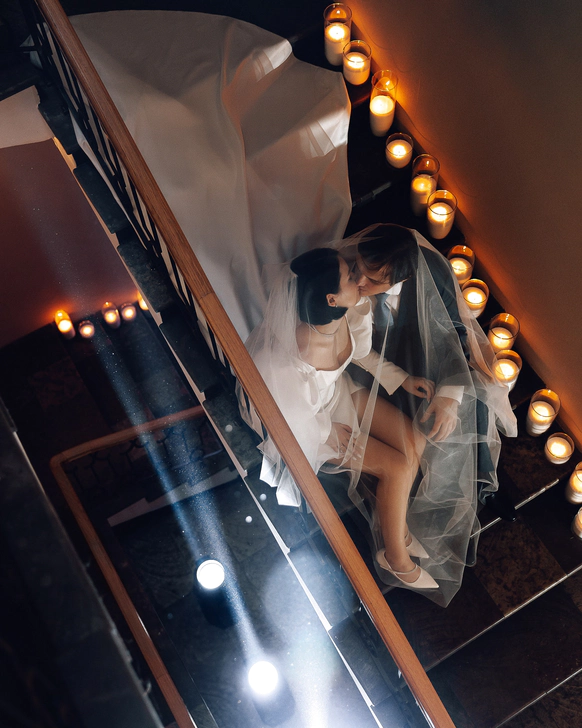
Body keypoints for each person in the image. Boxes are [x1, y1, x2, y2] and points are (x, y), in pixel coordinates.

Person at [239, 247, 439, 591]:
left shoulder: (349, 311)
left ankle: (396, 526)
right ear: (331, 298)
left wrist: (402, 379)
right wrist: (325, 431)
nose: (359, 280)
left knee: (415, 441)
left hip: (338, 392)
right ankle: (394, 558)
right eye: (350, 276)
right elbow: (285, 418)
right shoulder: (286, 359)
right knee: (398, 467)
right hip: (311, 426)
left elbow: (361, 355)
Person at [343, 224, 518, 535]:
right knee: (413, 429)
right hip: (372, 368)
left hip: (425, 350)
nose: (359, 282)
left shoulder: (433, 272)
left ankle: (483, 483)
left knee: (473, 395)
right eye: (358, 269)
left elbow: (455, 332)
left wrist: (450, 395)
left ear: (404, 278)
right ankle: (416, 501)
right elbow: (356, 351)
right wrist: (400, 378)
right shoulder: (347, 280)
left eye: (373, 280)